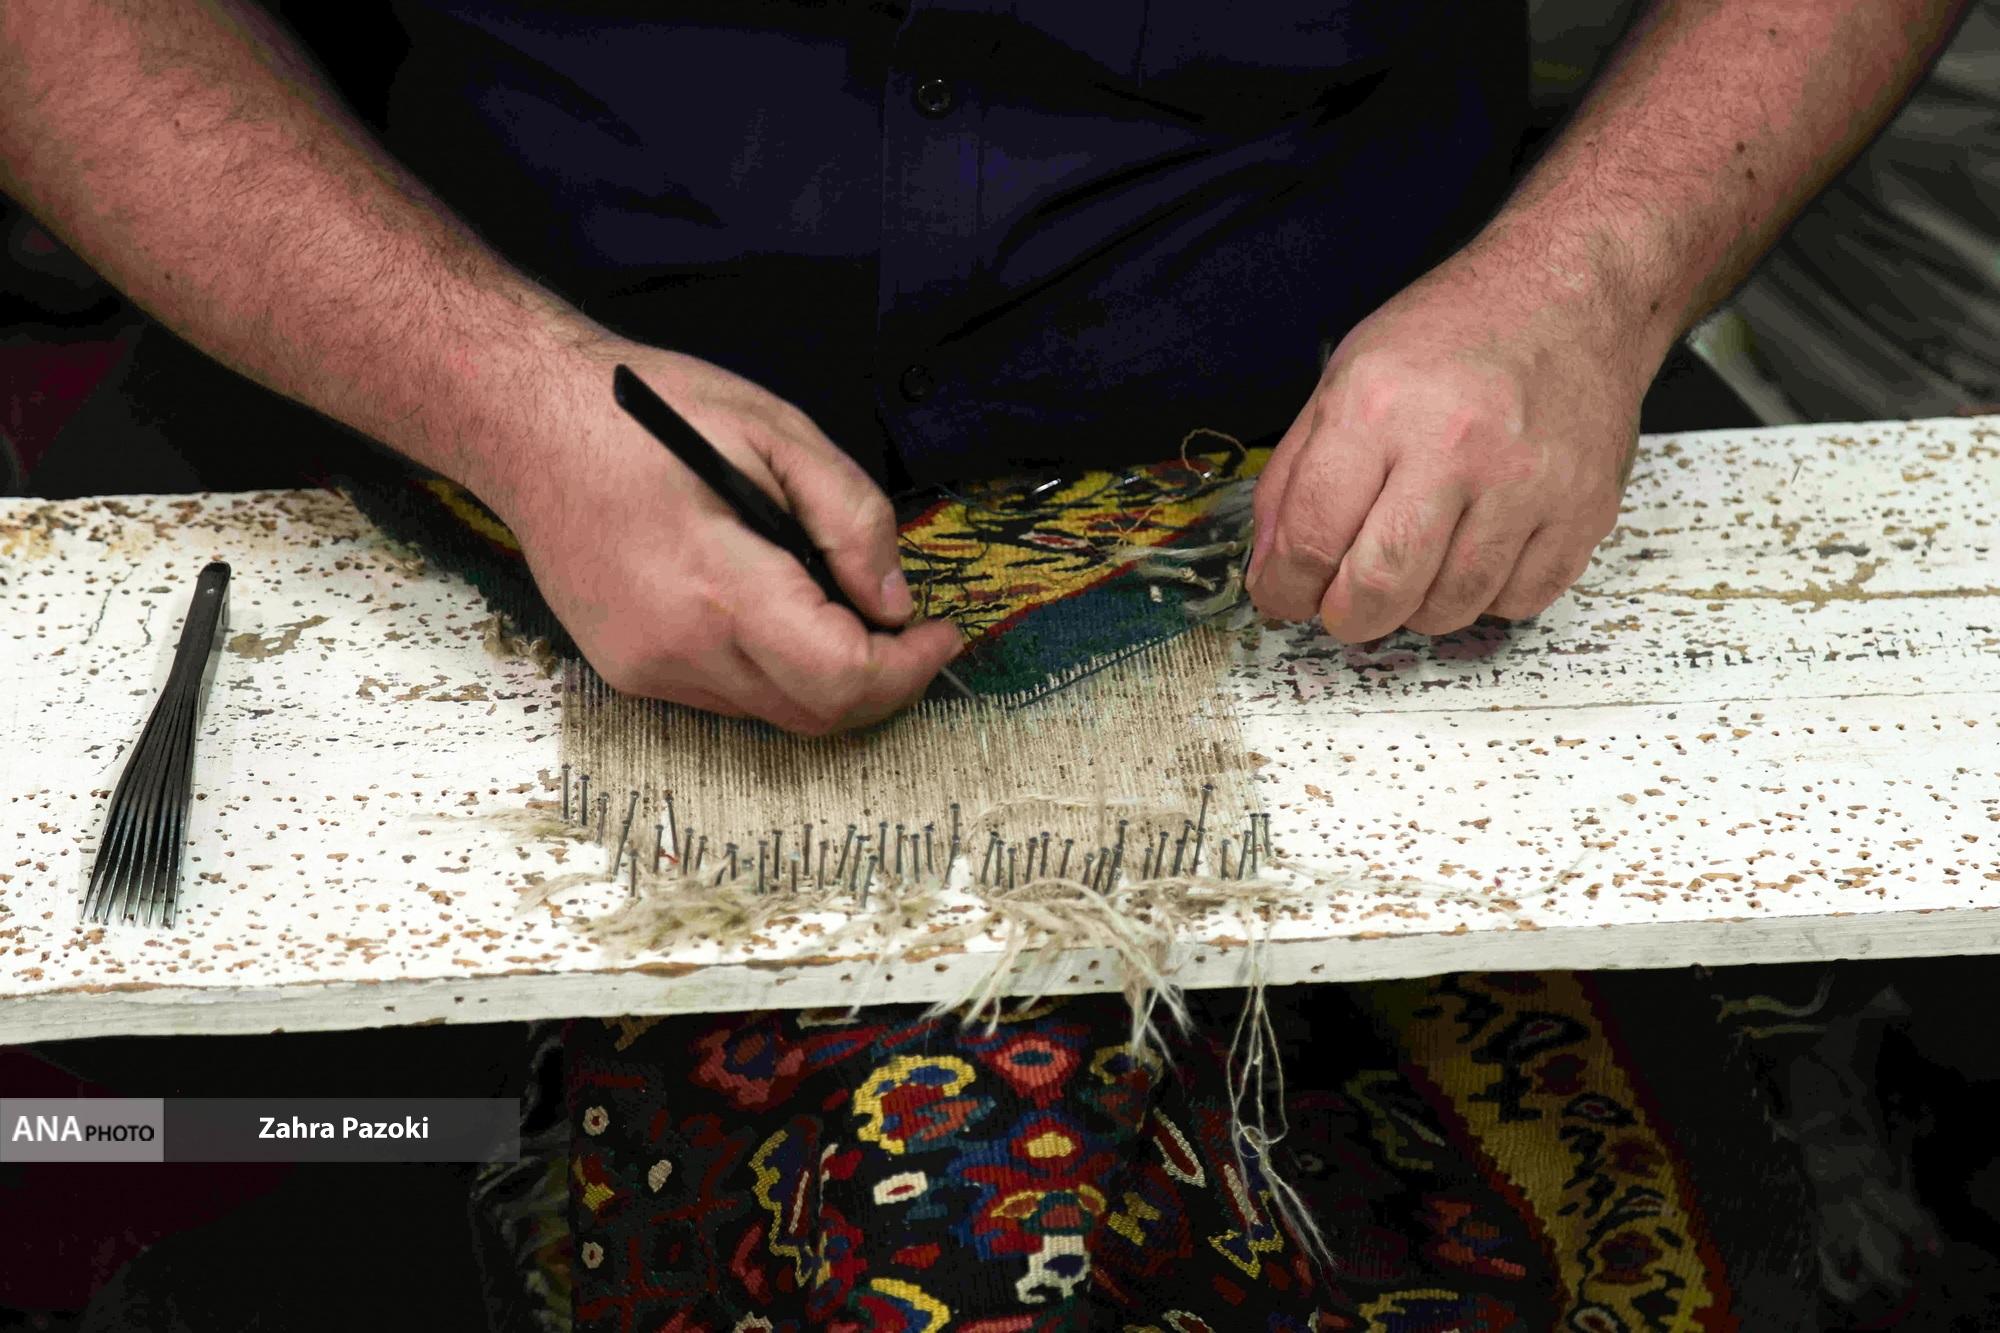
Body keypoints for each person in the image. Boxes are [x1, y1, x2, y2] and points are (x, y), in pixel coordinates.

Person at [0, 2, 1971, 1328]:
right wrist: (498, 392)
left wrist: (1586, 281)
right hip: (450, 408)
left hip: (1367, 458)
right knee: (211, 1162)